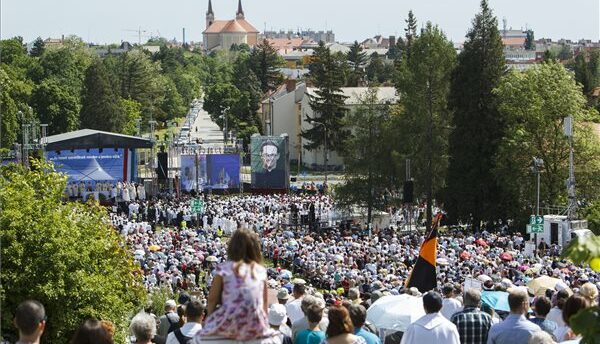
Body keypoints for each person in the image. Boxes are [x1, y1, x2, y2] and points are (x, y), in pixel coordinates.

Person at [194, 228, 280, 343]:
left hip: (228, 322)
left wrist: (209, 320)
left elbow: (212, 299)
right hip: (254, 325)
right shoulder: (260, 271)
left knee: (198, 339)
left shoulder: (224, 269)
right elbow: (263, 303)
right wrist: (263, 325)